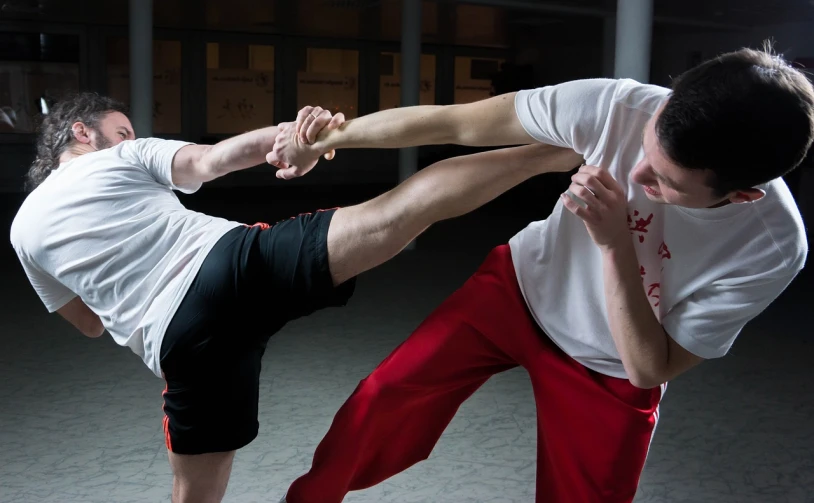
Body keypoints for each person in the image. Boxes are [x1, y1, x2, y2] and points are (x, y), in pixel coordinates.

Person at [269, 46, 812, 503]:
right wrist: (325, 140)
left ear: (742, 195)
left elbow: (650, 368)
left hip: (612, 363)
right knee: (380, 401)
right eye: (646, 150)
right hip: (518, 289)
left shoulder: (770, 247)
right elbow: (456, 122)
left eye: (665, 182)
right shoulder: (617, 105)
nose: (638, 173)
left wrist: (616, 243)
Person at [8, 92, 583, 503]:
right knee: (404, 208)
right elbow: (214, 160)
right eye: (120, 130)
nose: (128, 139)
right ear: (82, 133)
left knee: (196, 495)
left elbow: (85, 324)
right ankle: (556, 154)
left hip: (181, 342)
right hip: (232, 266)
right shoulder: (118, 159)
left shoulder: (22, 233)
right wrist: (299, 137)